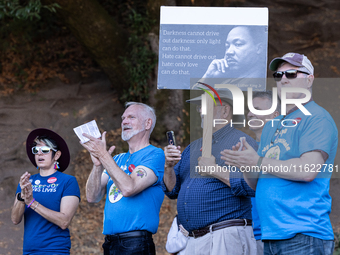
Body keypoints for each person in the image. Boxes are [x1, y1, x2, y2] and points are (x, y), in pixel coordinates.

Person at [221, 53, 338, 254]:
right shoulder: (271, 126)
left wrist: (257, 160)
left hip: (304, 235)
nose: (283, 78)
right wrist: (247, 164)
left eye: (291, 73)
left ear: (309, 79)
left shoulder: (318, 118)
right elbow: (258, 183)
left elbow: (307, 171)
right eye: (278, 75)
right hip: (270, 235)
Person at [163, 90, 258, 255]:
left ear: (225, 110)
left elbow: (252, 186)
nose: (200, 110)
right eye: (199, 107)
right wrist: (168, 167)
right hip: (191, 240)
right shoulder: (192, 148)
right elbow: (173, 190)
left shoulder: (242, 143)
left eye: (205, 106)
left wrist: (215, 171)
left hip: (226, 236)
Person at [82, 102, 165, 255]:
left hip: (136, 243)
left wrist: (104, 155)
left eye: (131, 117)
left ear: (148, 123)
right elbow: (92, 196)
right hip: (110, 243)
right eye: (123, 118)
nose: (124, 121)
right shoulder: (118, 159)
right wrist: (97, 164)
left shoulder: (154, 154)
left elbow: (129, 188)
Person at [11, 128, 80, 255]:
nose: (39, 154)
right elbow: (15, 219)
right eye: (36, 150)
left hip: (55, 250)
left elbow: (64, 221)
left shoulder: (68, 181)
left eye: (45, 150)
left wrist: (32, 202)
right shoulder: (27, 182)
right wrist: (22, 197)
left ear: (57, 155)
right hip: (29, 251)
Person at [247, 91, 280, 255]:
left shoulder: (283, 148)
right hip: (245, 233)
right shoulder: (244, 148)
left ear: (275, 115)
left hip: (274, 233)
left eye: (257, 109)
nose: (251, 113)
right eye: (250, 109)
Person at [202, 26, 266, 79]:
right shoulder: (230, 78)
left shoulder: (258, 80)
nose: (229, 52)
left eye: (238, 44)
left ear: (258, 48)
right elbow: (194, 94)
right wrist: (208, 76)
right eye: (227, 46)